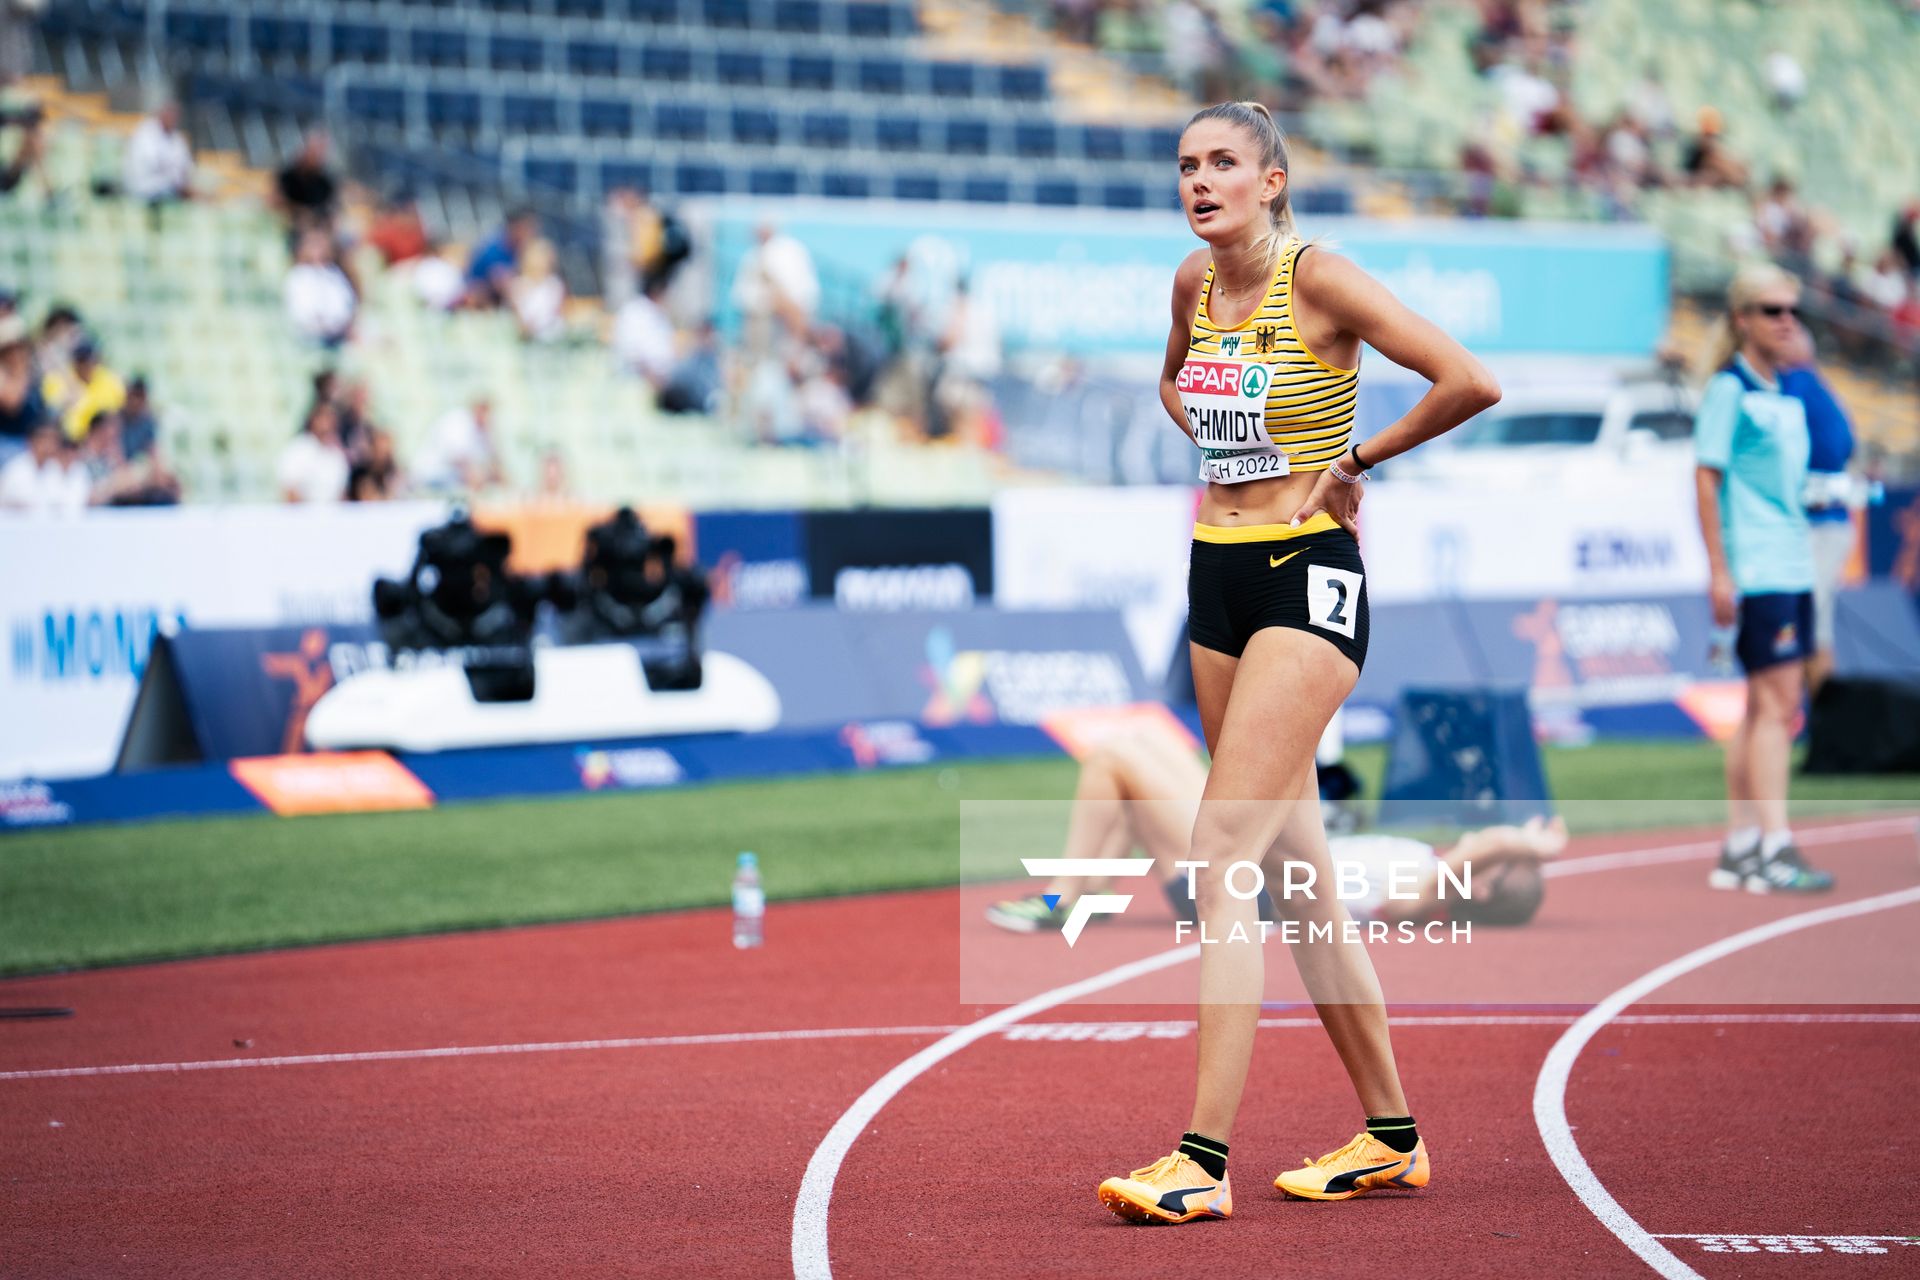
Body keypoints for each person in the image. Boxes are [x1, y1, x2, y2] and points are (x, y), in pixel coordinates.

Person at [1095, 100, 1501, 1226]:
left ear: (1273, 181)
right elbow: (1176, 382)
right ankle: (1390, 1133)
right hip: (1214, 571)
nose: (1199, 179)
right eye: (1185, 163)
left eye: (1223, 162)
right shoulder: (1191, 282)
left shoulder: (1319, 279)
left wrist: (1353, 457)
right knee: (1296, 876)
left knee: (1219, 854)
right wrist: (1227, 446)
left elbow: (1466, 377)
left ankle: (1201, 1157)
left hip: (1308, 574)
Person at [987, 728, 1561, 934]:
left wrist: (1530, 847)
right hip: (1257, 854)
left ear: (1480, 887)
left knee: (1112, 757)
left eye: (1498, 860)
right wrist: (1520, 850)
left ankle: (1061, 896)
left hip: (1242, 885)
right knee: (1147, 744)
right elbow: (1489, 849)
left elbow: (1490, 847)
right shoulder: (1428, 868)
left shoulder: (1421, 898)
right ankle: (1095, 891)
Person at [1693, 263, 1833, 895]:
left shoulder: (1782, 389)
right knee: (1779, 707)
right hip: (1759, 566)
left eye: (1792, 310)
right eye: (1772, 310)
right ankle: (1774, 845)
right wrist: (1720, 570)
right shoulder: (1731, 390)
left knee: (1761, 707)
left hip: (1791, 560)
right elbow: (1706, 477)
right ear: (1742, 319)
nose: (1786, 321)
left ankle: (1742, 843)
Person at [1776, 328, 1856, 695]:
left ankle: (1821, 728)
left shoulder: (1796, 385)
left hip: (1817, 524)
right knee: (1809, 626)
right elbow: (1846, 445)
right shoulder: (1823, 389)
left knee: (1807, 628)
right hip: (1827, 523)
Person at [284, 228, 357, 346]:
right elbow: (298, 307)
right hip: (308, 335)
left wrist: (336, 322)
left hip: (337, 333)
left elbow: (345, 302)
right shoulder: (299, 275)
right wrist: (316, 322)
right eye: (313, 246)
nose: (318, 251)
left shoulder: (334, 273)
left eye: (321, 245)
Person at [276, 401, 349, 504]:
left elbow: (342, 495)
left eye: (331, 419)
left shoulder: (337, 456)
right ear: (313, 420)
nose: (327, 424)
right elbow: (290, 491)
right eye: (324, 418)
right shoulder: (298, 449)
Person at [122, 101, 193, 206]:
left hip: (166, 188)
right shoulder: (145, 133)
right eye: (169, 114)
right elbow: (154, 164)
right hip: (144, 189)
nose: (172, 119)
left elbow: (185, 166)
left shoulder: (176, 138)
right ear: (162, 114)